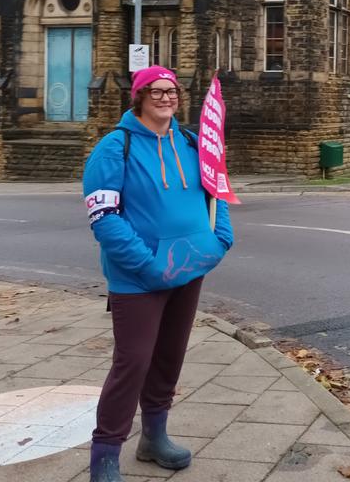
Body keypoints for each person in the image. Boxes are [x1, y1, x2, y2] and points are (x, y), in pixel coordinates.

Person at [83, 66, 234, 482]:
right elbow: (104, 218)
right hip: (138, 278)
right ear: (139, 97)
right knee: (133, 361)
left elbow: (216, 192)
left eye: (172, 91)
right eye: (156, 91)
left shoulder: (191, 142)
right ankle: (105, 457)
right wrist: (148, 265)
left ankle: (153, 437)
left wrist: (219, 240)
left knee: (170, 356)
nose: (166, 98)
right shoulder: (115, 148)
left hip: (189, 270)